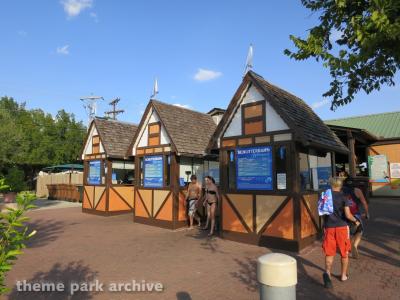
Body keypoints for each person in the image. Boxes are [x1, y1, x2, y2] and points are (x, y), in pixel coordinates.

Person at [322, 177, 360, 289]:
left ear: (331, 185)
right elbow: (348, 215)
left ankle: (328, 273)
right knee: (344, 252)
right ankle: (343, 275)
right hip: (342, 227)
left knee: (329, 252)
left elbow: (322, 212)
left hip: (329, 227)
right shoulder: (344, 197)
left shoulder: (325, 196)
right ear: (340, 185)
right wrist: (356, 221)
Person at [341, 172, 370, 259]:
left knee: (348, 232)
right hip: (355, 214)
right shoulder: (357, 190)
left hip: (344, 215)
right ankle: (355, 245)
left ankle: (349, 246)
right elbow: (364, 203)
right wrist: (367, 213)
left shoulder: (341, 190)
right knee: (359, 230)